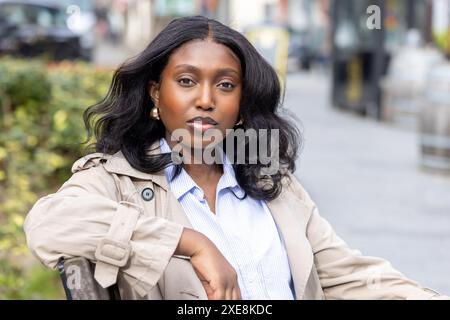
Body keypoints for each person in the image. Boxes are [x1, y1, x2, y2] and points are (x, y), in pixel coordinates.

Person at [24, 16, 448, 300]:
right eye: (186, 81)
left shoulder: (269, 184)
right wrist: (190, 243)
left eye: (225, 85)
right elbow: (48, 223)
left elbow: (345, 273)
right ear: (156, 92)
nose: (205, 100)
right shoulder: (121, 181)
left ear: (242, 102)